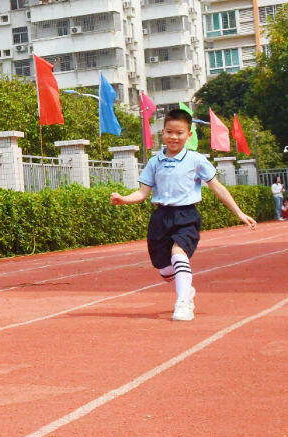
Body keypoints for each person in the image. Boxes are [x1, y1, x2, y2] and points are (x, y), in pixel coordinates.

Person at [110, 108, 256, 322]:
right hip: (160, 218)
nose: (174, 137)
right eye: (169, 132)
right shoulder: (154, 162)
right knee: (164, 270)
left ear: (189, 135)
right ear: (163, 134)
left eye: (179, 133)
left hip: (186, 216)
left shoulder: (196, 160)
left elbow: (217, 187)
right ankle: (186, 288)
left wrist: (239, 212)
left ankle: (183, 303)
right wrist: (124, 199)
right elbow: (142, 192)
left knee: (179, 254)